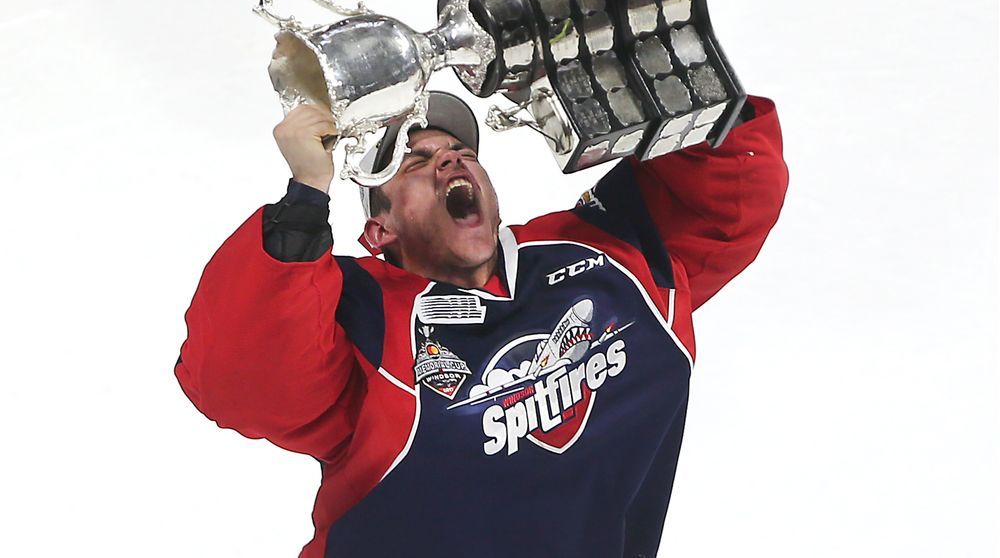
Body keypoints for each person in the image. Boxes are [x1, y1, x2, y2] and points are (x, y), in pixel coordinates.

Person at [176, 90, 788, 558]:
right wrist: (305, 197)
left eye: (460, 153)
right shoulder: (361, 313)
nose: (448, 161)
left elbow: (726, 196)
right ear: (379, 230)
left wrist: (641, 84)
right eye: (415, 161)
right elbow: (241, 380)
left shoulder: (604, 257)